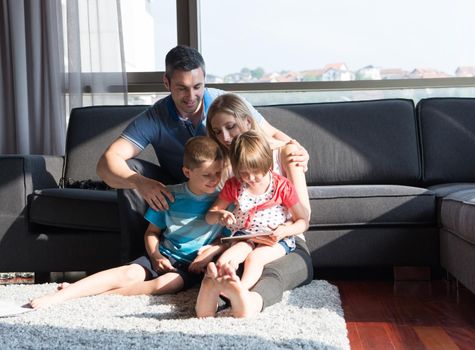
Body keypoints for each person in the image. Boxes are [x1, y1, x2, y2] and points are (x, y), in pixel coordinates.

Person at [96, 45, 308, 262]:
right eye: (181, 88)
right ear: (167, 83)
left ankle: (213, 256)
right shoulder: (155, 117)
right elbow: (106, 163)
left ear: (205, 79)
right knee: (130, 170)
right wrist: (140, 182)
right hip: (180, 186)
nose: (191, 96)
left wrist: (298, 150)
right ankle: (143, 260)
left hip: (223, 189)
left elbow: (270, 136)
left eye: (197, 86)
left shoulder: (223, 104)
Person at [30, 136, 227, 309]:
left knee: (168, 283)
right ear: (187, 172)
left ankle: (96, 297)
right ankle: (62, 295)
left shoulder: (223, 200)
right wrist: (156, 255)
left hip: (192, 265)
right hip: (163, 255)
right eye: (207, 175)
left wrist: (211, 252)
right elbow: (152, 232)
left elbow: (227, 239)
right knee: (129, 274)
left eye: (217, 173)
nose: (214, 179)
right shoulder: (170, 195)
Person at [196, 93, 313, 318]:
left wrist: (280, 232)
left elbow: (304, 215)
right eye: (218, 132)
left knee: (269, 272)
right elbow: (223, 216)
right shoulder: (228, 170)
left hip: (284, 240)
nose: (226, 137)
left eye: (231, 127)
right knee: (227, 266)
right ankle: (208, 302)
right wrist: (220, 244)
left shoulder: (285, 153)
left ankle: (247, 302)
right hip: (243, 238)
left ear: (248, 121)